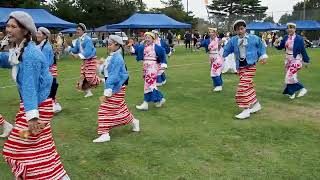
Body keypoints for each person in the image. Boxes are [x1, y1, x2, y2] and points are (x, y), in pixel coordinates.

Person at [0, 11, 70, 179]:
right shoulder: (22, 48)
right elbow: (10, 60)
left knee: (16, 149)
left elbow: (30, 87)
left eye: (13, 26)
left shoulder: (30, 54)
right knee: (41, 147)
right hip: (36, 105)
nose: (8, 29)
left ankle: (41, 175)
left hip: (37, 107)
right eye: (7, 25)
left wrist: (32, 117)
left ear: (25, 30)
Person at [93, 35, 140, 143]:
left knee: (104, 110)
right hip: (116, 87)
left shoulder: (117, 58)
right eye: (108, 43)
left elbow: (113, 76)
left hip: (116, 88)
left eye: (110, 43)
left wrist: (106, 93)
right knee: (120, 109)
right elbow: (107, 71)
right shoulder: (113, 56)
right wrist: (100, 65)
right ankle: (134, 122)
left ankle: (105, 133)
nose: (108, 45)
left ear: (117, 45)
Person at [223, 20, 267, 120]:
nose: (240, 31)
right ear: (235, 31)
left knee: (242, 87)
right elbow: (226, 49)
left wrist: (263, 56)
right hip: (241, 67)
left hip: (251, 66)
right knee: (248, 86)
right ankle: (256, 104)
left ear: (245, 29)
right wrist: (221, 57)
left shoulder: (254, 38)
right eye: (238, 29)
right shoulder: (233, 40)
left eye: (242, 28)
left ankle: (246, 110)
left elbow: (261, 47)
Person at [131, 32, 167, 110]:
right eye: (146, 37)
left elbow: (163, 54)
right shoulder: (143, 47)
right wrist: (132, 45)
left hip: (152, 67)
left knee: (149, 84)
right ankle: (158, 100)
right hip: (146, 67)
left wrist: (163, 64)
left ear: (153, 39)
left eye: (148, 38)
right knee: (149, 85)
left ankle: (148, 102)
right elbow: (136, 50)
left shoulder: (157, 47)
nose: (147, 39)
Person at [274, 23, 310, 99]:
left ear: (295, 29)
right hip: (287, 60)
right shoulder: (286, 37)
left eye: (292, 28)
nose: (290, 29)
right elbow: (281, 47)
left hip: (296, 60)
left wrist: (306, 60)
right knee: (292, 77)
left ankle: (302, 89)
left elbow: (303, 50)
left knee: (289, 76)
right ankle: (291, 93)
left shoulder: (299, 38)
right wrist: (276, 44)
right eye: (288, 28)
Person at [66, 23, 101, 98]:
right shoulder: (78, 40)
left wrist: (78, 55)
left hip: (91, 60)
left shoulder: (87, 39)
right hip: (85, 61)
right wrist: (69, 48)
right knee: (83, 77)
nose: (77, 31)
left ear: (83, 31)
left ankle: (101, 80)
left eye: (79, 29)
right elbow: (75, 50)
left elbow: (88, 52)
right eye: (77, 29)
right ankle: (88, 92)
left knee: (89, 77)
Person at [36, 27, 62, 113]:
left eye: (39, 33)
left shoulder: (46, 47)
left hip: (49, 70)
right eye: (37, 33)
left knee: (50, 87)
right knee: (50, 87)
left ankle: (52, 105)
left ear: (45, 36)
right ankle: (52, 104)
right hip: (47, 70)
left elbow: (46, 62)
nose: (37, 35)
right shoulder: (40, 45)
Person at [199, 27, 224, 92]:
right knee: (217, 71)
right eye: (210, 32)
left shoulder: (219, 39)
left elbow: (223, 46)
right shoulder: (207, 40)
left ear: (216, 33)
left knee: (214, 71)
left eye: (212, 32)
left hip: (218, 57)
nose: (211, 33)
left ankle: (219, 86)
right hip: (211, 58)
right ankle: (217, 85)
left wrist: (221, 43)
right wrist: (198, 44)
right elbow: (201, 44)